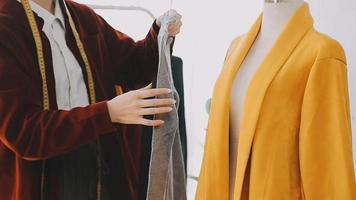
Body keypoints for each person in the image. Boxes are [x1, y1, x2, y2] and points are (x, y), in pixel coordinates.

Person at [0, 0, 182, 199]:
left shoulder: (82, 17)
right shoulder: (6, 24)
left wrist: (159, 31)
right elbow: (24, 133)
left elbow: (133, 65)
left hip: (98, 166)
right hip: (40, 177)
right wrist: (108, 112)